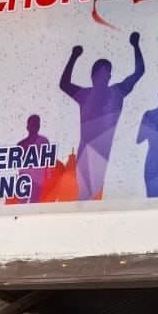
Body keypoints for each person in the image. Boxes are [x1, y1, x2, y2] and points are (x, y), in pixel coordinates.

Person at [59, 31, 146, 201]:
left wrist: (136, 46)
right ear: (93, 76)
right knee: (85, 195)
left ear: (109, 76)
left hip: (101, 154)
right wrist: (73, 57)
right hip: (86, 153)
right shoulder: (85, 95)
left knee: (91, 194)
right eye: (99, 73)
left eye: (105, 73)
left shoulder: (116, 92)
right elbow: (64, 84)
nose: (102, 76)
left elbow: (139, 71)